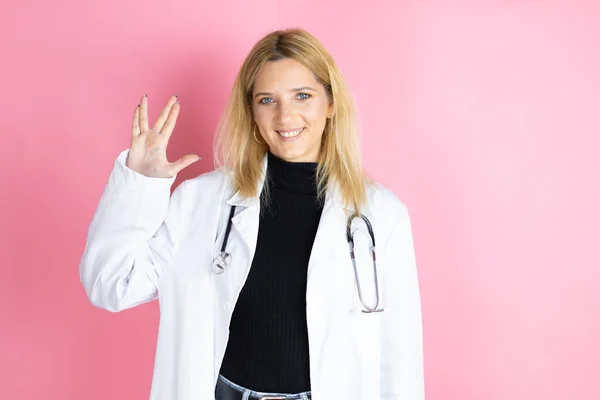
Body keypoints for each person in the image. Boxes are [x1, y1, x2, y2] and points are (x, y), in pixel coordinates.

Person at [79, 28, 424, 400]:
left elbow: (399, 356)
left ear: (331, 103)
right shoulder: (201, 201)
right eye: (267, 100)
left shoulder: (381, 216)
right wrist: (139, 184)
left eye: (302, 96)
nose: (285, 115)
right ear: (252, 111)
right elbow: (110, 286)